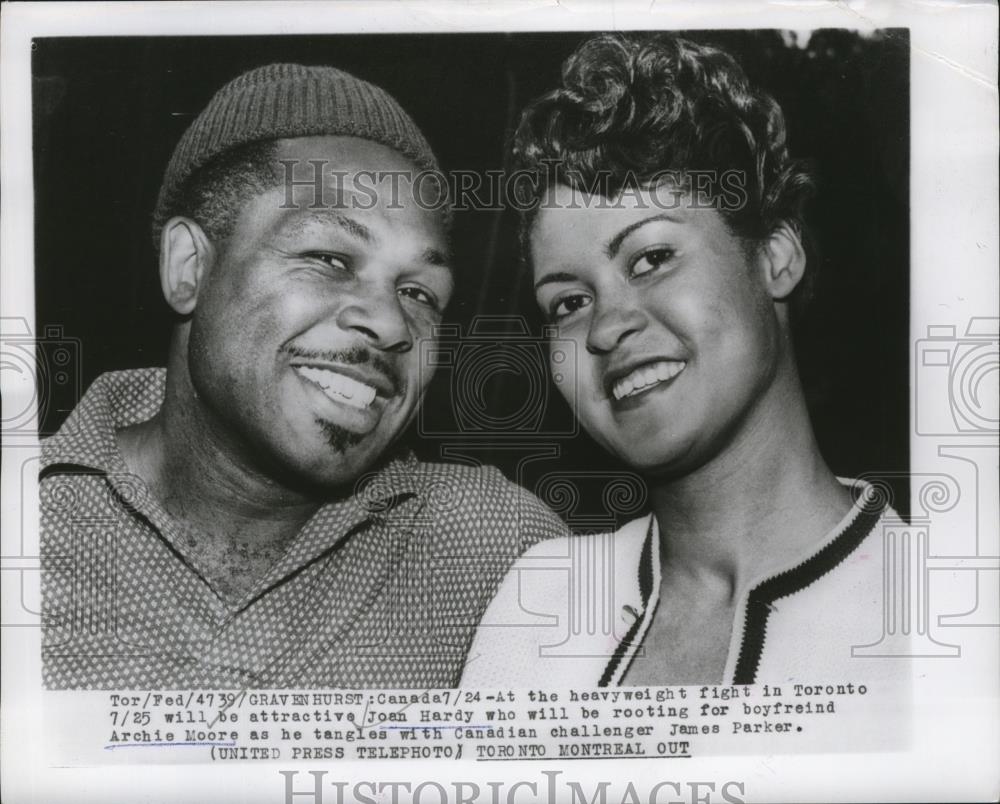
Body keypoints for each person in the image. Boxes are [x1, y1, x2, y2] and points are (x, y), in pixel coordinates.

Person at [39, 63, 568, 689]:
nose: (391, 323)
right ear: (189, 268)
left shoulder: (493, 544)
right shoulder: (29, 522)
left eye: (421, 292)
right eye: (329, 258)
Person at [462, 34, 904, 687]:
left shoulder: (940, 612)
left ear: (775, 256)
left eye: (651, 258)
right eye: (567, 302)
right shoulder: (536, 603)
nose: (607, 327)